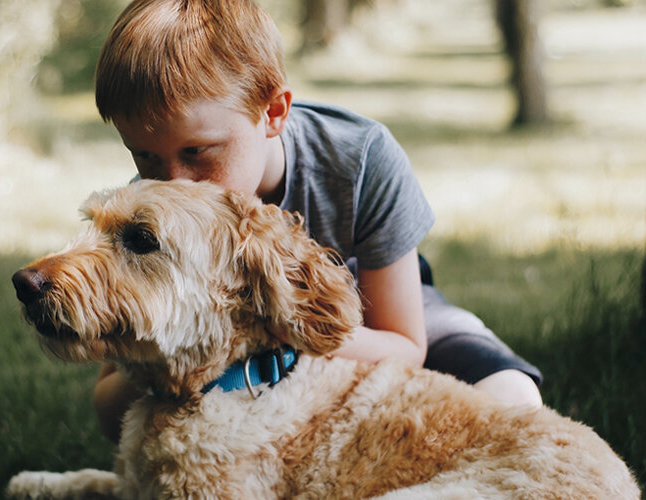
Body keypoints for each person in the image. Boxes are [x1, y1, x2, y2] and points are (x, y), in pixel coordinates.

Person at [91, 0, 542, 443]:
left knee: (513, 396)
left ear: (272, 113)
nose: (175, 183)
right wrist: (152, 356)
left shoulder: (360, 159)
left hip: (375, 316)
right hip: (228, 358)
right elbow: (111, 411)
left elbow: (405, 347)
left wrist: (277, 332)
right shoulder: (148, 217)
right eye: (146, 156)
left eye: (196, 152)